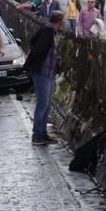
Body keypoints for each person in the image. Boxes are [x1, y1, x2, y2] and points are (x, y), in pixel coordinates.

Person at [23, 11, 63, 146]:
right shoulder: (48, 32)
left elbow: (33, 40)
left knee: (47, 104)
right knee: (42, 104)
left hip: (48, 73)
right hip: (42, 73)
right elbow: (38, 50)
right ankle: (37, 135)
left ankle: (43, 133)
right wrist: (38, 66)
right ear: (60, 22)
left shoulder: (49, 31)